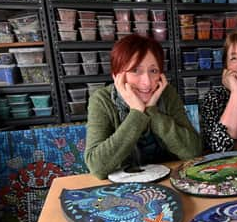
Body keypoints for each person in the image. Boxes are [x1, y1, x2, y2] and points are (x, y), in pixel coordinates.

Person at [85, 34, 202, 179]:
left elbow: (193, 152)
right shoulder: (102, 100)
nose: (147, 82)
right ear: (117, 75)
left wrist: (152, 111)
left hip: (168, 180)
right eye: (135, 70)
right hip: (122, 188)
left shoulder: (166, 94)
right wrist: (137, 113)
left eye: (153, 71)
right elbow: (97, 167)